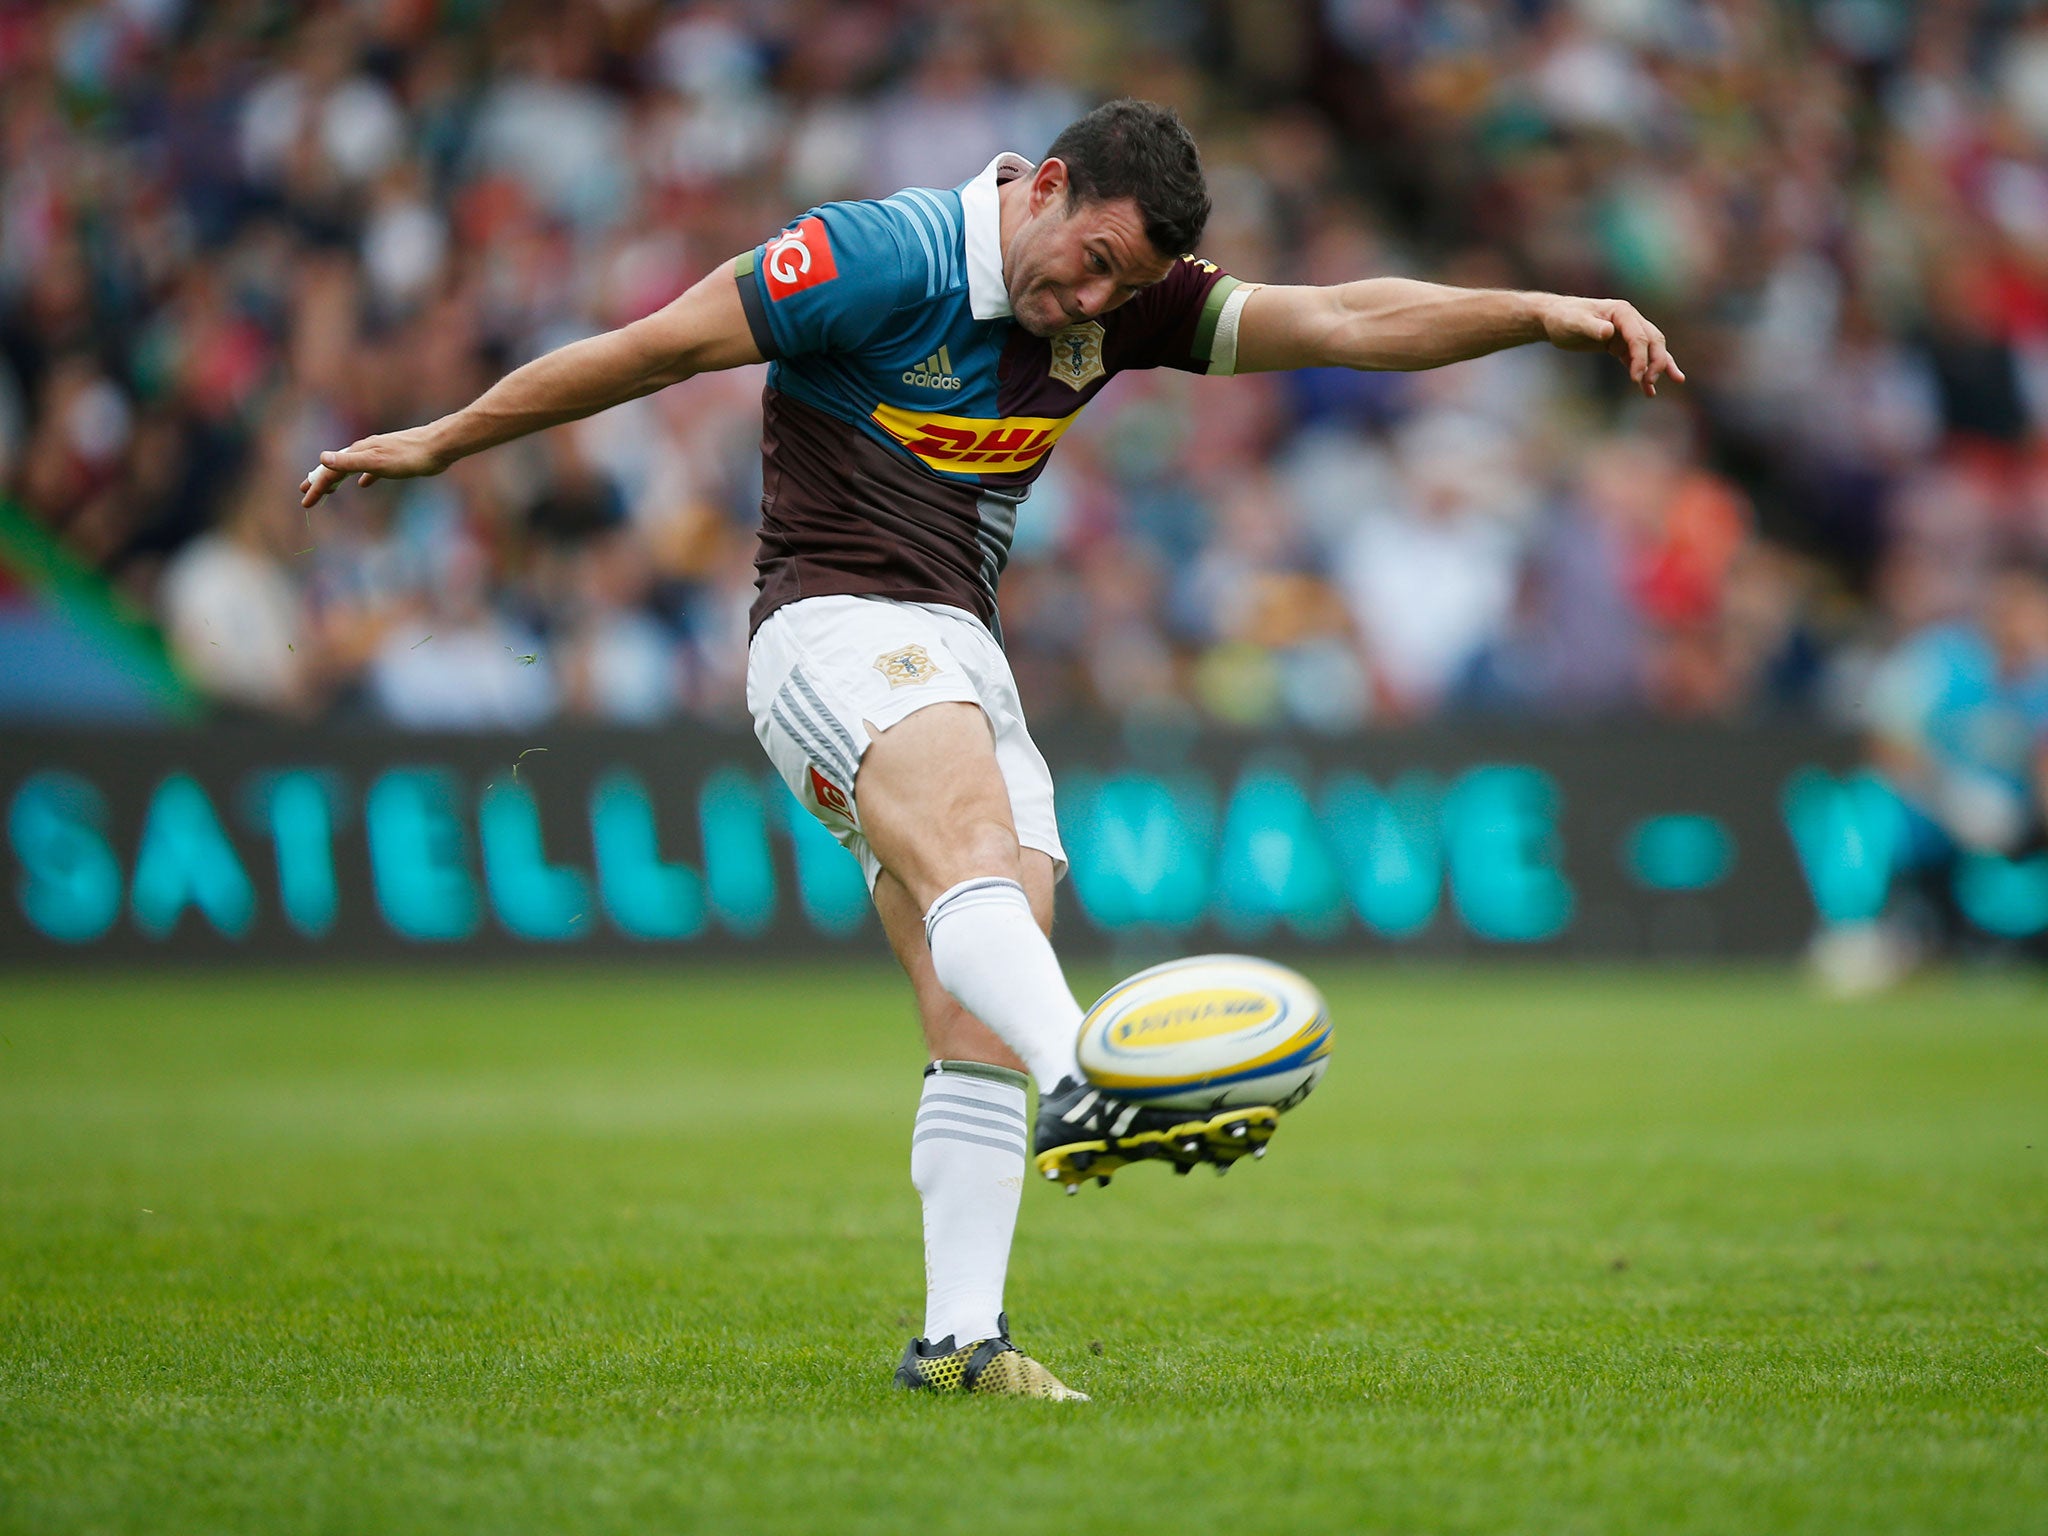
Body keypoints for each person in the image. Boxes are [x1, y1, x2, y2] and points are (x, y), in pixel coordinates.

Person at [299, 99, 1682, 1399]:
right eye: (1083, 266)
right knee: (974, 858)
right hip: (829, 626)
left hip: (962, 642)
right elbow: (654, 346)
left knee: (988, 951)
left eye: (1115, 289)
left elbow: (1344, 317)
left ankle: (960, 1339)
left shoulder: (1129, 297)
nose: (1087, 305)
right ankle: (1095, 1079)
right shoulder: (873, 254)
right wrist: (443, 440)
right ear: (1047, 185)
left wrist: (1538, 312)